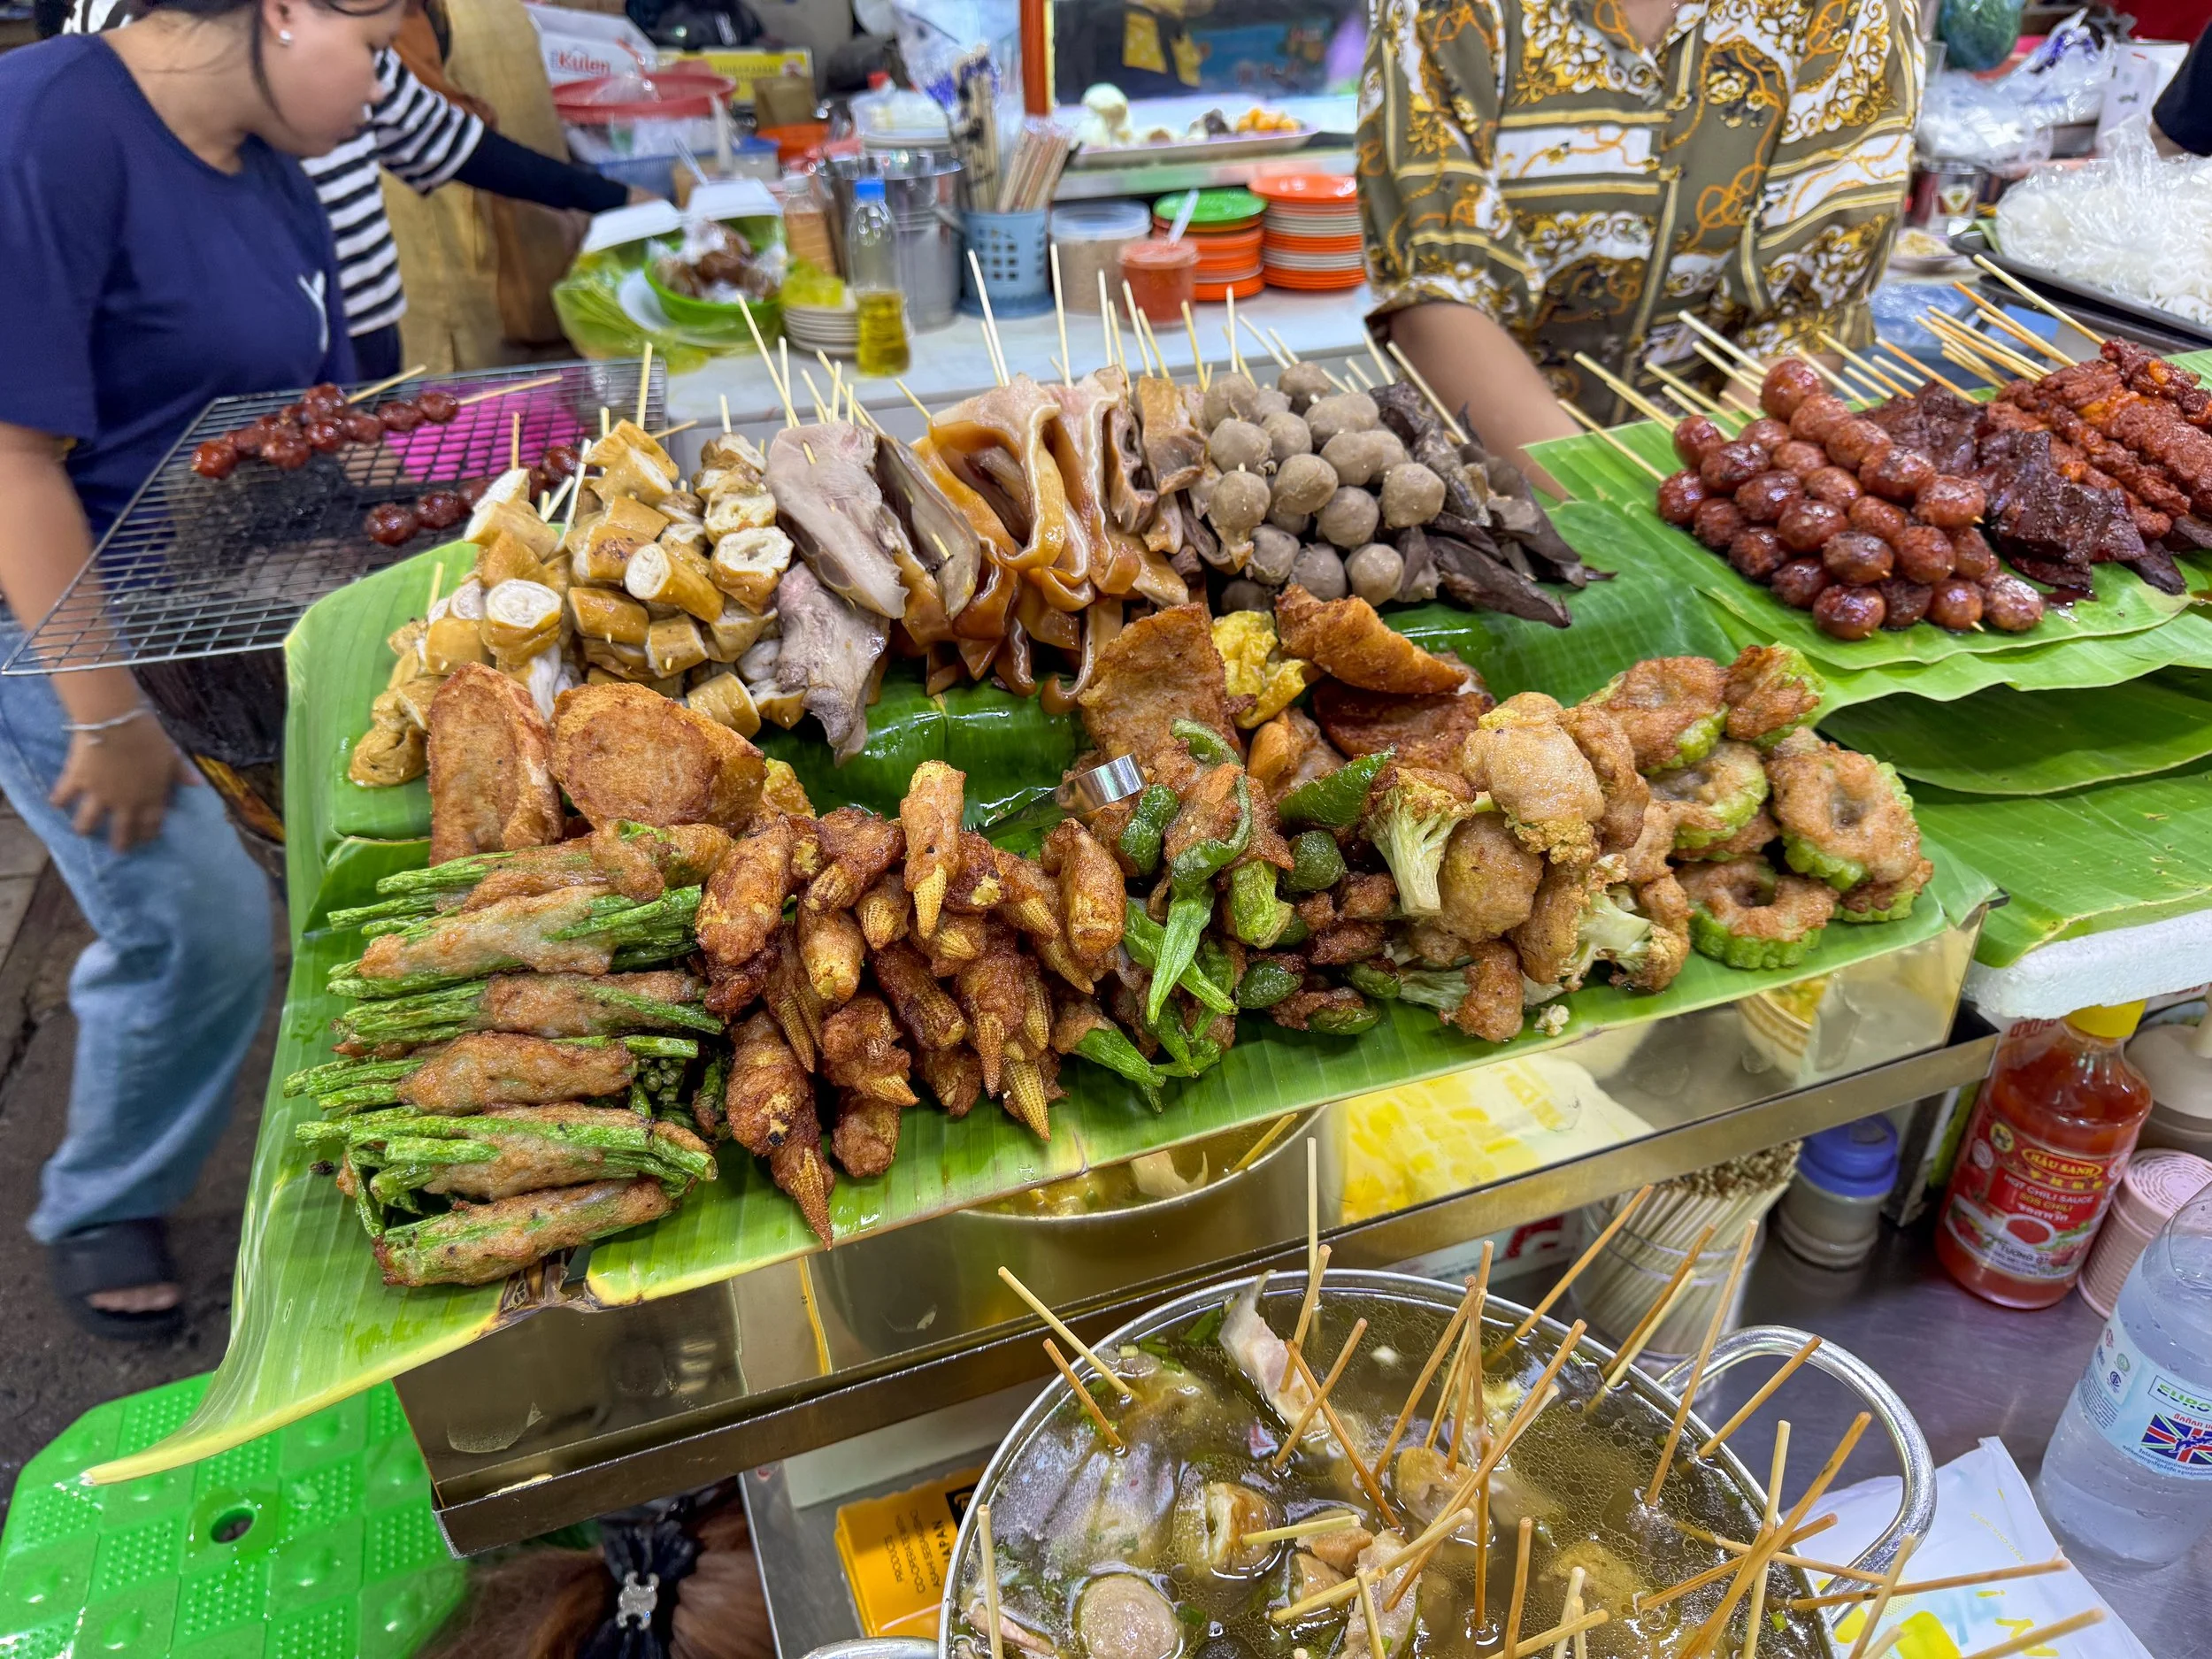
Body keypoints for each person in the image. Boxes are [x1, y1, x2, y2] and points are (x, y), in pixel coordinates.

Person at [0, 0, 389, 1336]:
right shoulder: (53, 122)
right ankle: (101, 1194)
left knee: (323, 846)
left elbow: (313, 414)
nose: (386, 87)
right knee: (196, 915)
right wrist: (101, 711)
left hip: (220, 596)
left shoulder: (281, 179)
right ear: (287, 8)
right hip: (54, 609)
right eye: (380, 45)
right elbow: (12, 458)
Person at [1357, 0, 1922, 475]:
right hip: (1479, 485)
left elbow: (1809, 306)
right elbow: (1437, 290)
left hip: (1727, 499)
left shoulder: (1849, 10)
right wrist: (1614, 524)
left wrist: (1714, 505)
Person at [55, 0, 645, 379]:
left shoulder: (340, 36)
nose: (375, 89)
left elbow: (446, 139)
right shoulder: (111, 86)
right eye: (372, 50)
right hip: (260, 359)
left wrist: (612, 198)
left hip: (359, 337)